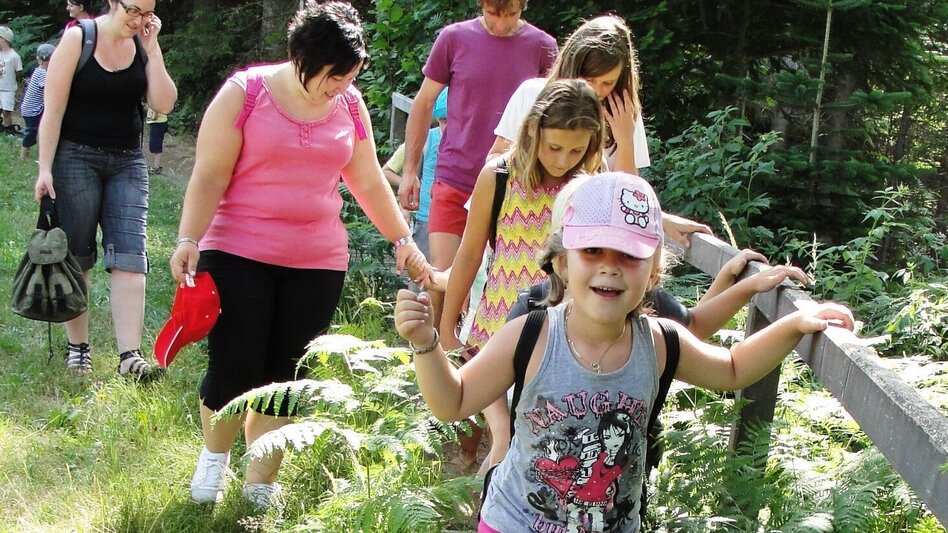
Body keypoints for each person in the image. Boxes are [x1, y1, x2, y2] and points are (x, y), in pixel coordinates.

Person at [395, 171, 855, 533]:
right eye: (593, 250)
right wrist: (426, 344)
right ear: (562, 261)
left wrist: (795, 324)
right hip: (516, 521)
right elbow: (452, 401)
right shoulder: (530, 335)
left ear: (654, 273)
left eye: (629, 255)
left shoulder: (659, 342)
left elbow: (733, 368)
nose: (611, 267)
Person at [169, 1, 433, 510]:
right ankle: (214, 460)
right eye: (333, 75)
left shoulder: (350, 106)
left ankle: (261, 480)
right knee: (235, 366)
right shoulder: (245, 94)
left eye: (350, 75)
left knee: (287, 373)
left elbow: (368, 180)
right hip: (238, 249)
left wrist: (404, 242)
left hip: (317, 260)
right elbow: (209, 174)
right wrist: (188, 238)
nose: (340, 85)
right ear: (300, 57)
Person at [440, 79, 605, 470]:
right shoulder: (497, 176)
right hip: (497, 324)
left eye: (576, 149)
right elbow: (469, 252)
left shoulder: (591, 188)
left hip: (559, 329)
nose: (563, 160)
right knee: (492, 427)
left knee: (533, 435)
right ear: (532, 128)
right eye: (555, 147)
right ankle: (470, 487)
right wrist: (447, 325)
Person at [32, 0, 177, 378]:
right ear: (114, 2)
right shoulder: (79, 38)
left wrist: (153, 48)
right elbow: (54, 110)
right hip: (75, 158)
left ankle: (130, 357)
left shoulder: (143, 46)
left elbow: (164, 103)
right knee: (77, 256)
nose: (139, 19)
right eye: (133, 10)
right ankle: (78, 347)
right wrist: (44, 169)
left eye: (147, 13)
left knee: (130, 255)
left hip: (127, 161)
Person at [397, 0, 557, 328]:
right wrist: (410, 171)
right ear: (481, 5)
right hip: (455, 179)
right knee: (441, 277)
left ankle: (485, 363)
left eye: (511, 14)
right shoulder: (453, 39)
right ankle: (435, 359)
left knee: (507, 281)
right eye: (493, 14)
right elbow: (424, 102)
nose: (501, 24)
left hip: (513, 187)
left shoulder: (543, 47)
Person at [488, 15, 646, 175]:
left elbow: (628, 192)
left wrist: (625, 142)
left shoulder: (625, 113)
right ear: (572, 67)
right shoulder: (532, 94)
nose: (597, 91)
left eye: (608, 83)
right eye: (588, 80)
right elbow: (496, 157)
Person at [382, 87, 449, 263]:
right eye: (444, 121)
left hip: (456, 219)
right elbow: (387, 171)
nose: (448, 127)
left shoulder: (468, 144)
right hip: (426, 218)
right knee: (423, 275)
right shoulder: (426, 139)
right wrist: (410, 181)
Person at [20, 43, 55, 159]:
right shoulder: (43, 74)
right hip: (32, 110)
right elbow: (49, 89)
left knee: (40, 129)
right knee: (31, 132)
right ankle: (23, 155)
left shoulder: (39, 70)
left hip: (33, 108)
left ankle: (39, 151)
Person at [0, 26, 23, 135]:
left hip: (8, 89)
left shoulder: (14, 56)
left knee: (6, 112)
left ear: (3, 39)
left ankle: (8, 131)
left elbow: (18, 72)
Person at [145, 105, 168, 174]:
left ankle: (156, 168)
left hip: (158, 122)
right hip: (158, 122)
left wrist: (154, 116)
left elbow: (157, 106)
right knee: (155, 144)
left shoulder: (157, 95)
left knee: (156, 145)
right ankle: (155, 167)